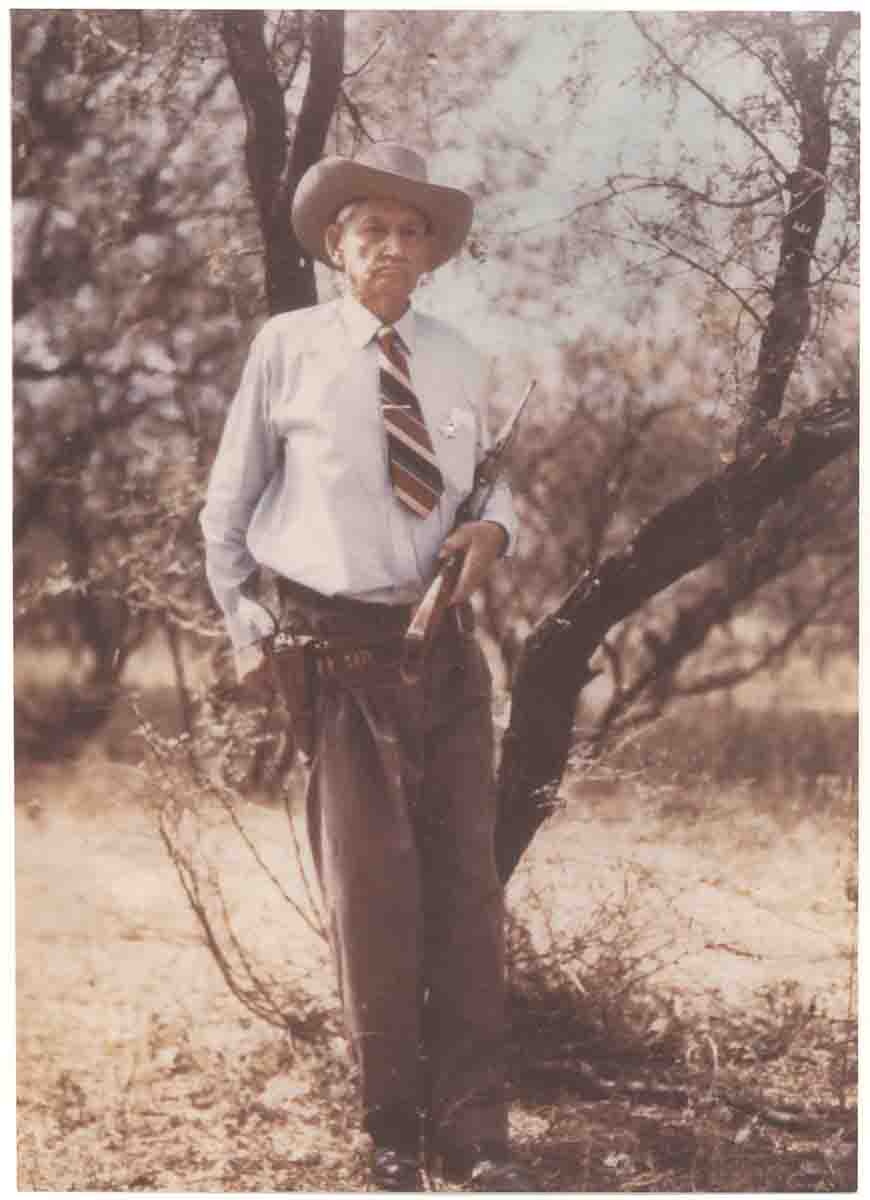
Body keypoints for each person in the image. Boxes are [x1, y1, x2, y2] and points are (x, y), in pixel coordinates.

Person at [201, 143, 533, 1192]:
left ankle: (477, 1137)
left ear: (432, 254)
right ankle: (392, 1131)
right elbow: (226, 510)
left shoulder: (460, 357)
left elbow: (487, 492)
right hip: (331, 654)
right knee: (373, 899)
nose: (391, 245)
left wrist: (496, 536)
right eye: (370, 228)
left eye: (411, 231)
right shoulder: (287, 348)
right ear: (336, 247)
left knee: (467, 897)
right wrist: (248, 631)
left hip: (441, 655)